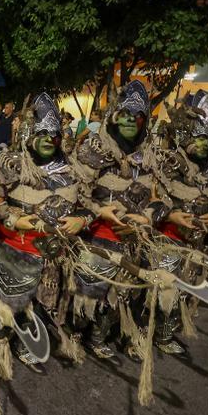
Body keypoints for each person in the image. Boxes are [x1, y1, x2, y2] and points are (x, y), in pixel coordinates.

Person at [0, 93, 93, 371]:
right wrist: (14, 219)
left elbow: (90, 206)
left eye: (54, 133)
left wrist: (81, 221)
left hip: (55, 254)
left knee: (46, 307)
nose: (49, 138)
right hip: (17, 248)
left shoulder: (73, 169)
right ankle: (3, 342)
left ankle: (29, 340)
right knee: (9, 310)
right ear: (30, 133)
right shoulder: (11, 163)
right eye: (43, 132)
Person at [71, 80, 168, 361]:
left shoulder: (150, 154)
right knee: (88, 292)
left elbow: (161, 197)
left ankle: (101, 336)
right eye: (126, 115)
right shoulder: (93, 148)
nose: (131, 121)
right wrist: (100, 211)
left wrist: (147, 216)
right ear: (114, 115)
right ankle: (77, 333)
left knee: (124, 294)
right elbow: (75, 193)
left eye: (138, 117)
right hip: (97, 236)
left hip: (135, 238)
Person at [149, 90, 208, 353]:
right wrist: (172, 215)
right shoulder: (166, 160)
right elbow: (151, 199)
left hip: (198, 244)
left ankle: (164, 337)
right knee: (156, 290)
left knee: (185, 290)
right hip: (167, 240)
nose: (205, 144)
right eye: (199, 137)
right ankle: (140, 335)